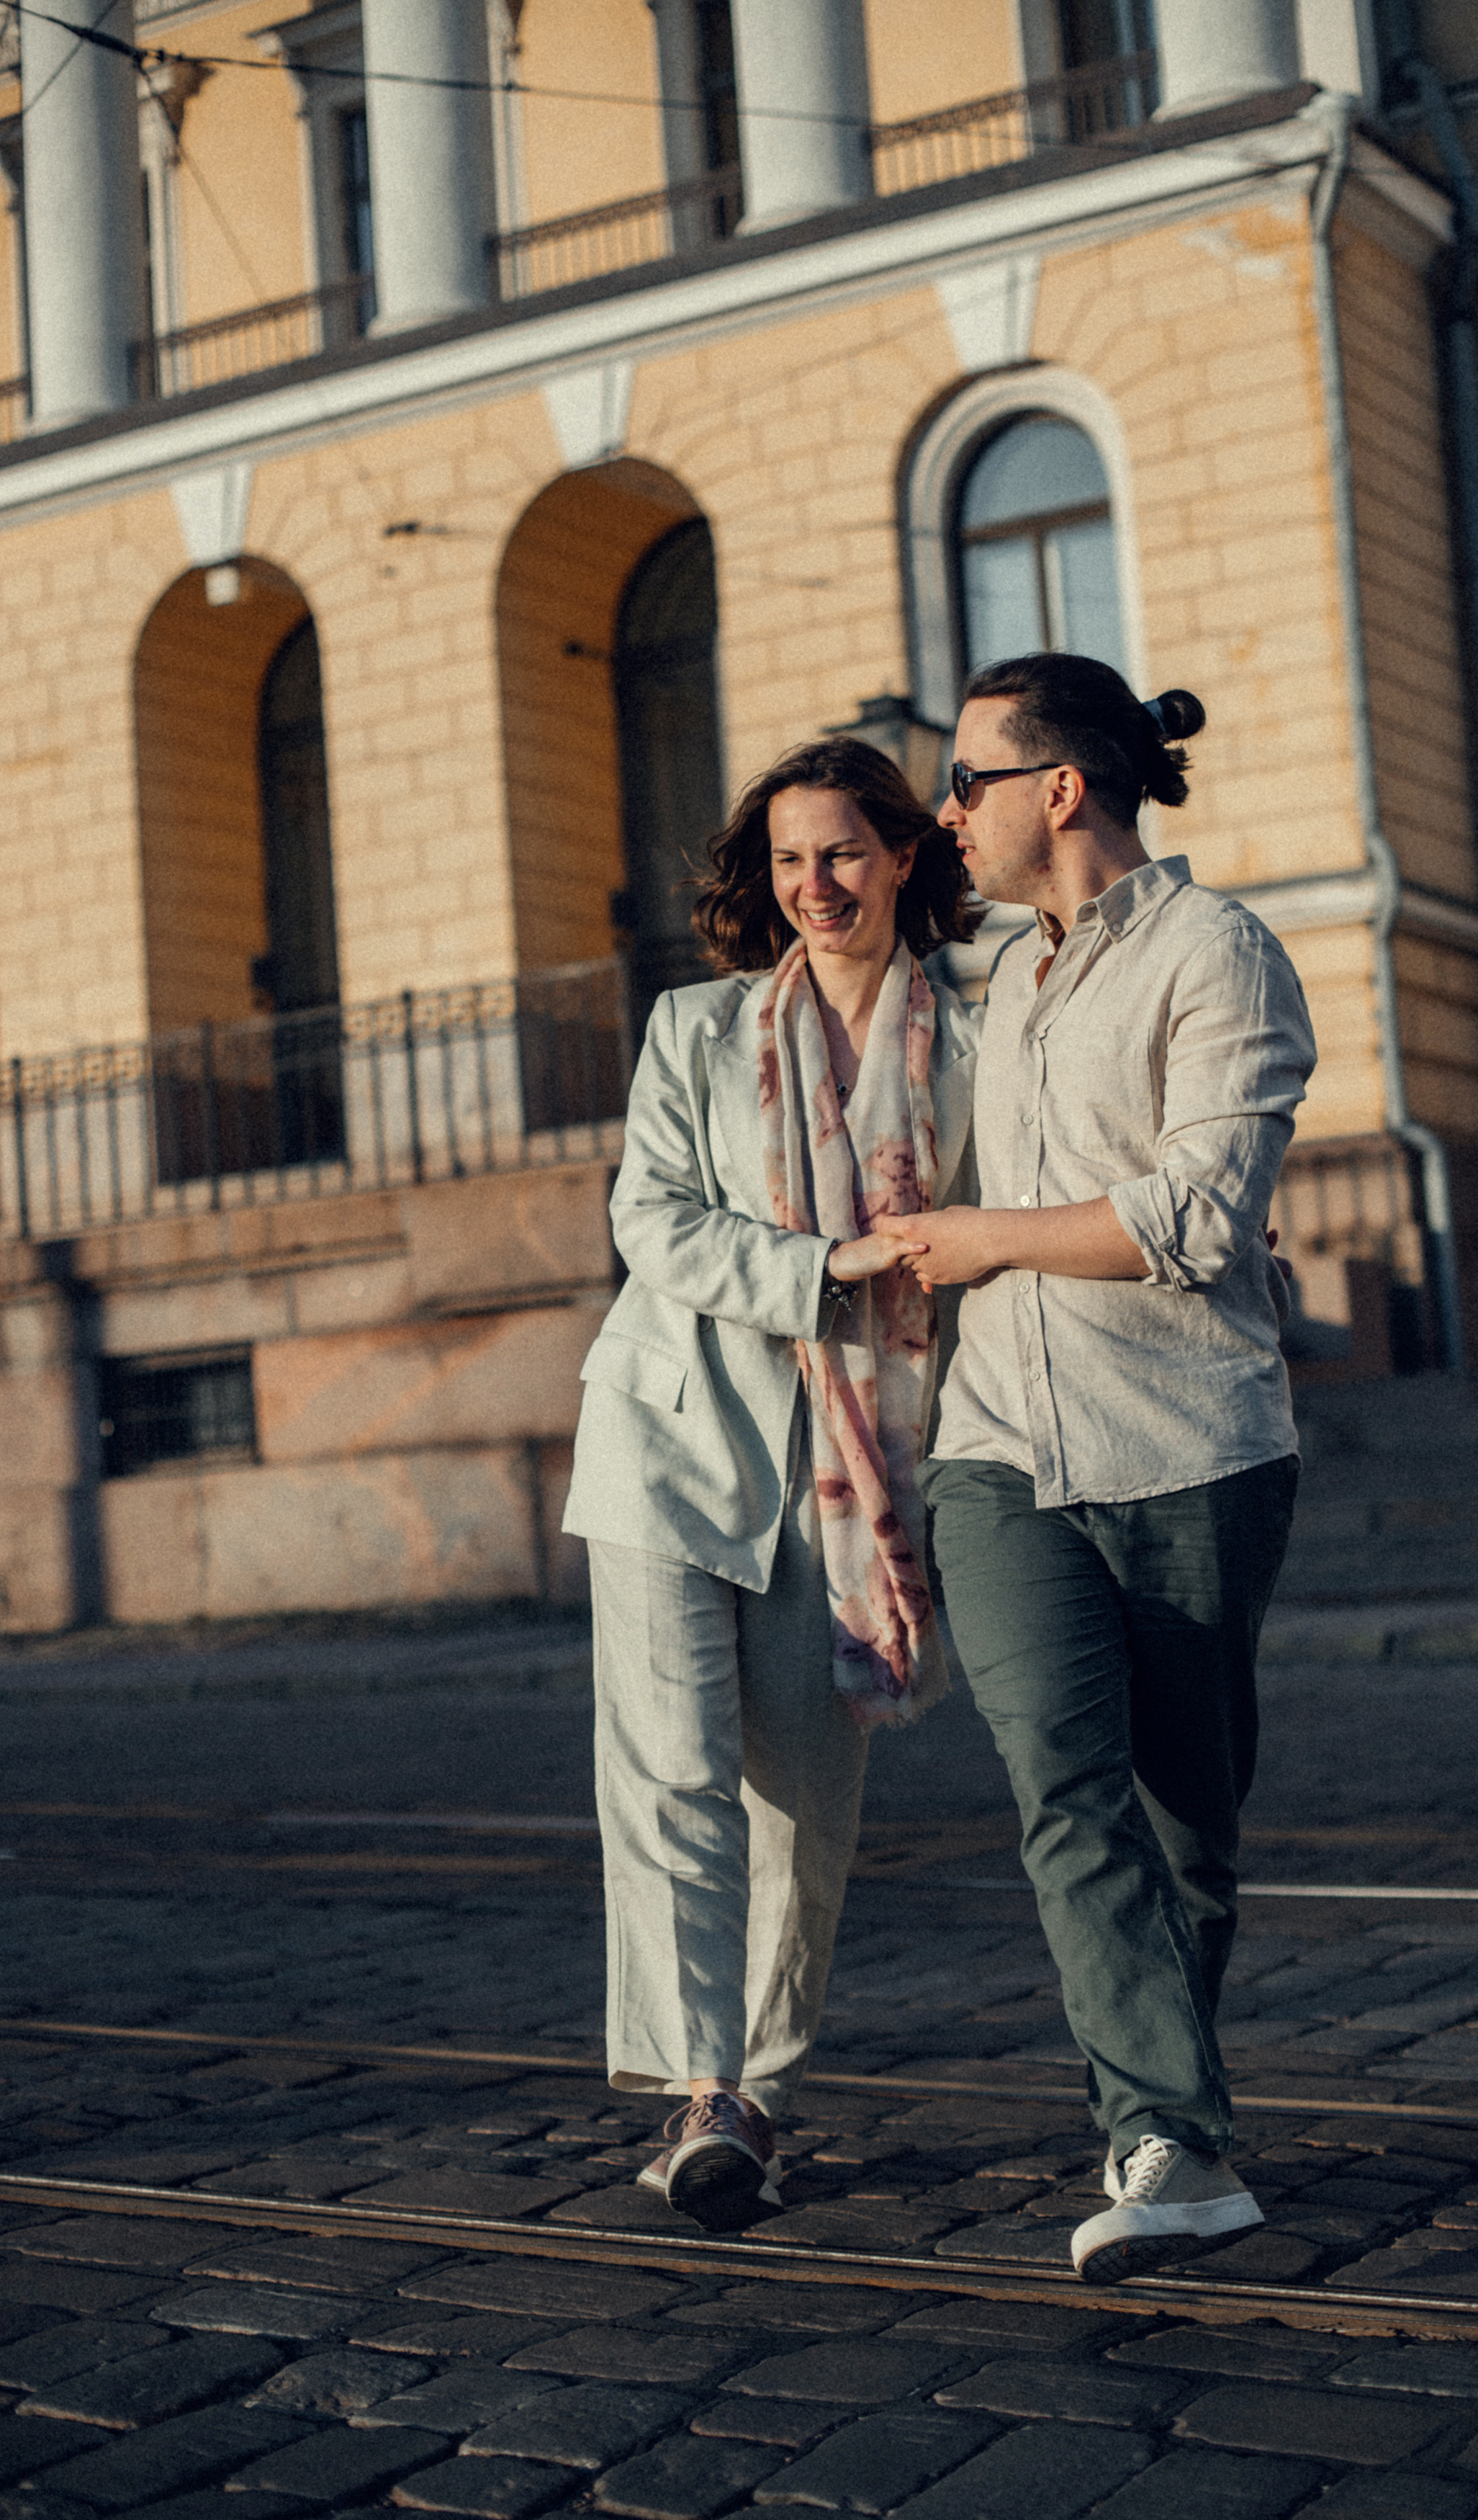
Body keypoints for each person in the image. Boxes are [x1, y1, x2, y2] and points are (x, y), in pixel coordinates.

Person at [876, 652, 1316, 2285]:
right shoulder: (1004, 978)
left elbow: (1202, 1218)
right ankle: (1169, 2144)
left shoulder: (1222, 957)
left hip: (1188, 1443)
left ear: (1059, 787)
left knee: (1188, 1821)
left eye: (968, 782)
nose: (947, 816)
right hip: (997, 1446)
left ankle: (1165, 2115)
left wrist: (981, 1235)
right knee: (1067, 1795)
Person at [562, 737, 981, 2232]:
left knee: (807, 1802)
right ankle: (704, 2094)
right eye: (791, 860)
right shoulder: (696, 1028)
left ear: (907, 856)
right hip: (673, 1437)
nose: (817, 886)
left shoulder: (977, 1038)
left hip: (857, 1471)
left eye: (847, 853)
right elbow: (652, 1220)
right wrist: (825, 1264)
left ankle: (767, 2079)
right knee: (673, 1769)